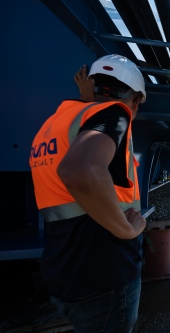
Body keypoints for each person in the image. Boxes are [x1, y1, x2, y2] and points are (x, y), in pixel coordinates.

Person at [30, 55, 147, 332]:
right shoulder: (117, 112)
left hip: (64, 269)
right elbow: (81, 170)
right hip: (105, 272)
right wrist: (127, 231)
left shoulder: (52, 126)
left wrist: (88, 99)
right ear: (135, 101)